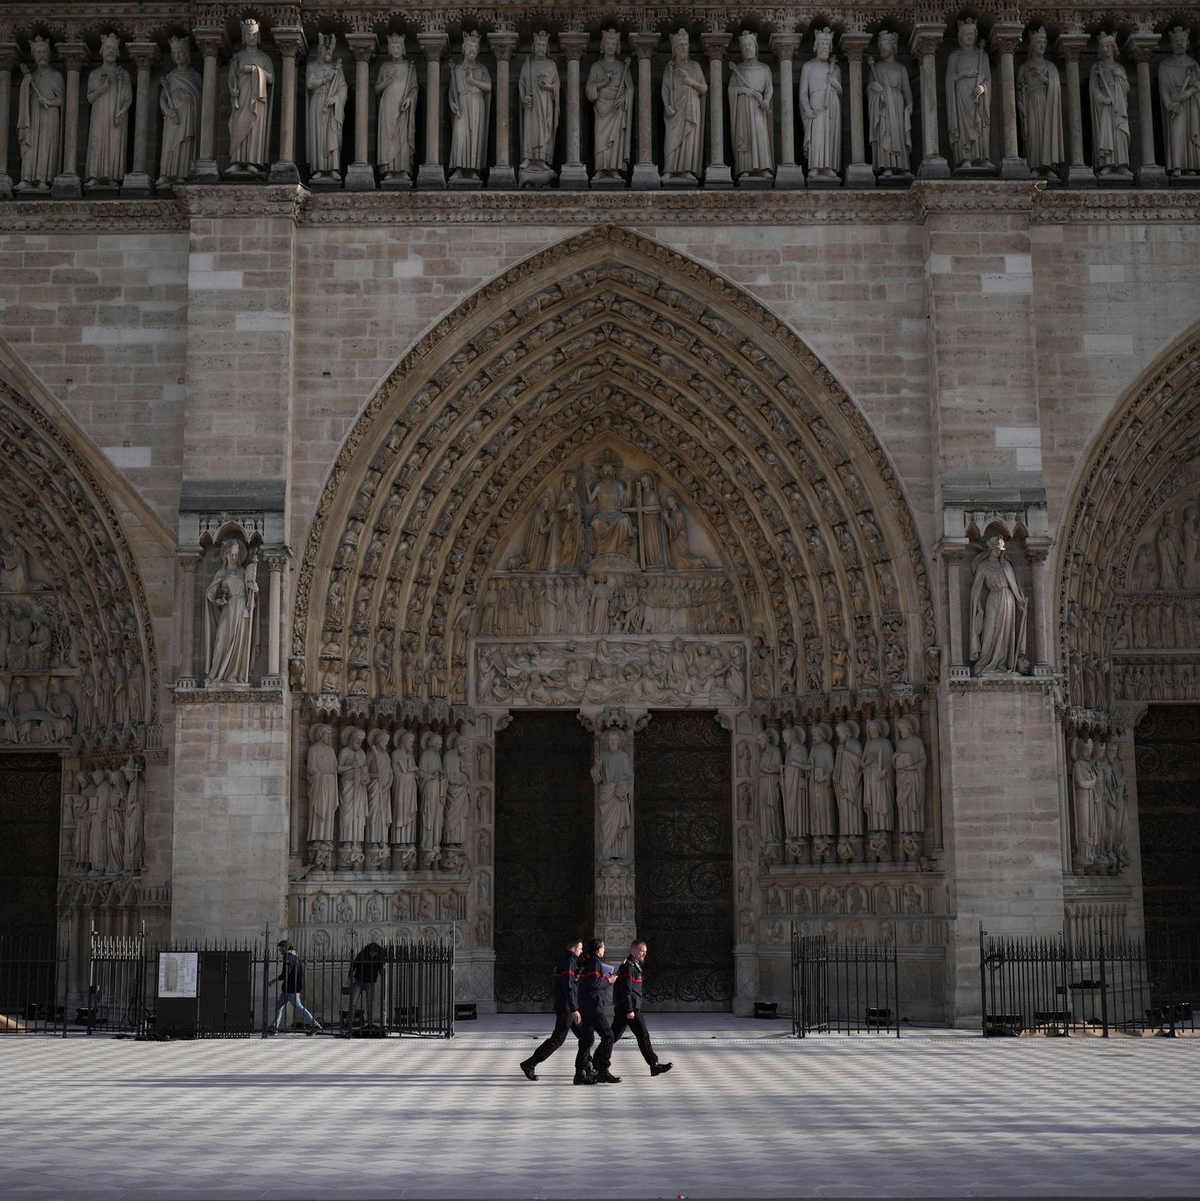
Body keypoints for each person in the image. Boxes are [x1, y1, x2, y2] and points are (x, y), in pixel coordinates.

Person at [520, 938, 593, 1082]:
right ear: (573, 948)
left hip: (566, 1007)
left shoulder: (568, 962)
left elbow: (570, 983)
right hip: (567, 1008)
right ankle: (530, 1063)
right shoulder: (568, 963)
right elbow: (569, 988)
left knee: (586, 1036)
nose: (582, 950)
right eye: (580, 948)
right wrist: (574, 1009)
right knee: (558, 1039)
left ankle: (586, 1066)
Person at [612, 940, 673, 1077]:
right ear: (633, 951)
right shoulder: (628, 967)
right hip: (630, 1008)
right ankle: (654, 1065)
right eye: (642, 951)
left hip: (627, 1008)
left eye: (645, 951)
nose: (644, 953)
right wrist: (629, 1010)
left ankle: (597, 1060)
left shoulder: (633, 965)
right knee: (643, 1035)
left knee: (612, 1036)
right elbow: (626, 991)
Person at [575, 938, 620, 1085]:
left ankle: (580, 1073)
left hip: (585, 1005)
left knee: (586, 1040)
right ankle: (603, 1070)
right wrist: (609, 980)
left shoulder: (587, 962)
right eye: (603, 947)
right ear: (597, 949)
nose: (604, 950)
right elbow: (594, 983)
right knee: (608, 1036)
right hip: (594, 1007)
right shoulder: (595, 962)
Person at [267, 941, 322, 1034]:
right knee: (279, 1006)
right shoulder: (296, 957)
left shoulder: (288, 957)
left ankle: (315, 1025)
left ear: (285, 947)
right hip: (290, 989)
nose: (279, 950)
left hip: (291, 989)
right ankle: (274, 1027)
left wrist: (273, 981)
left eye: (280, 948)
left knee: (299, 1007)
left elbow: (285, 974)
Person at [344, 942, 384, 1035]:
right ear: (369, 951)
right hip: (359, 980)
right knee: (353, 1002)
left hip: (370, 982)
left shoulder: (378, 957)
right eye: (372, 953)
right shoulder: (362, 954)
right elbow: (354, 965)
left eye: (374, 953)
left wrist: (384, 978)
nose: (373, 955)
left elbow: (381, 968)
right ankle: (348, 1022)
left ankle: (370, 1024)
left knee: (370, 1004)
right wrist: (350, 976)